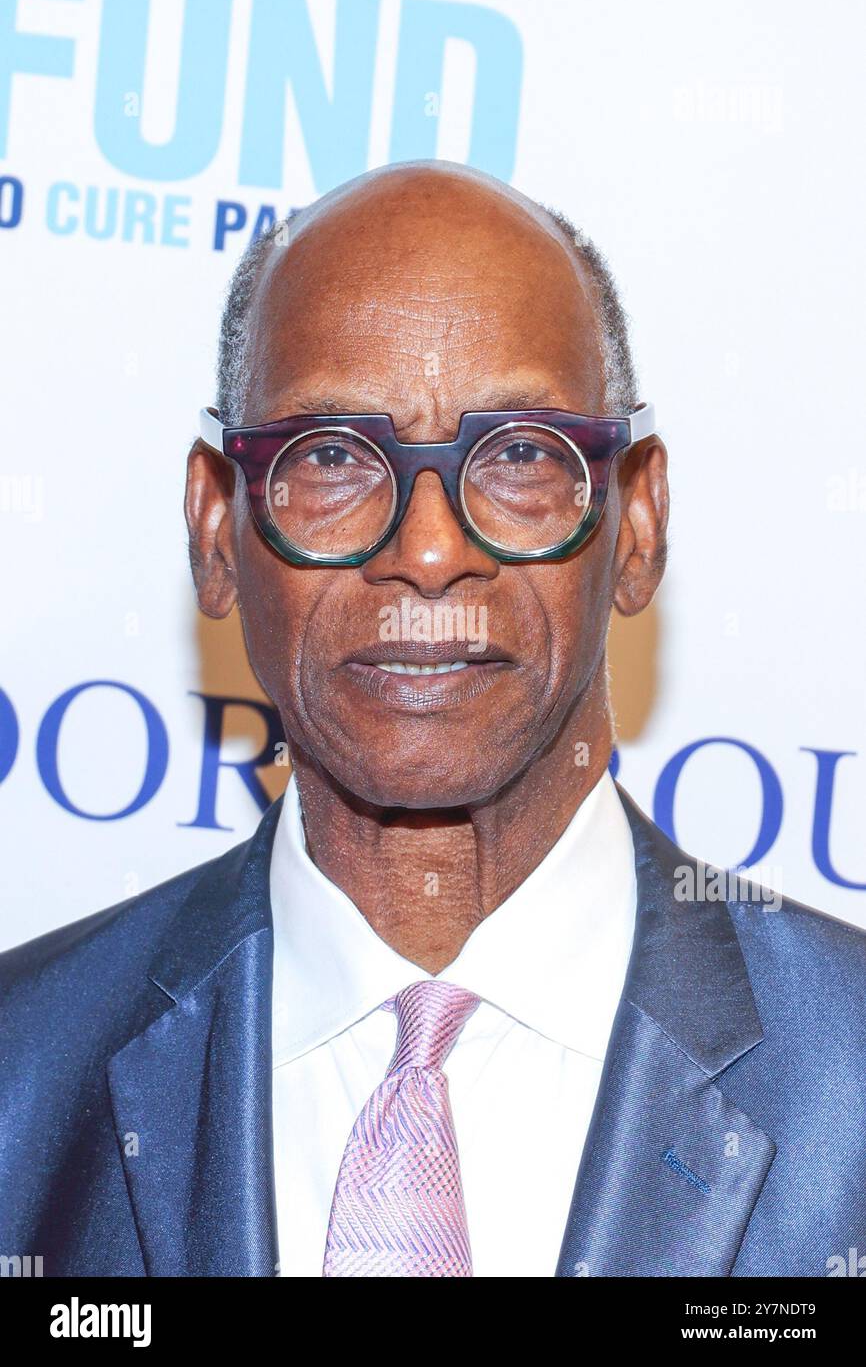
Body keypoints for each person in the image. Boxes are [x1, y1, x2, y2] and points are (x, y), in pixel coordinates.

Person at [2, 161, 864, 1278]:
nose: (425, 549)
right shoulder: (23, 1075)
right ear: (216, 531)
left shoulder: (845, 1074)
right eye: (330, 456)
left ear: (638, 524)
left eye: (518, 454)